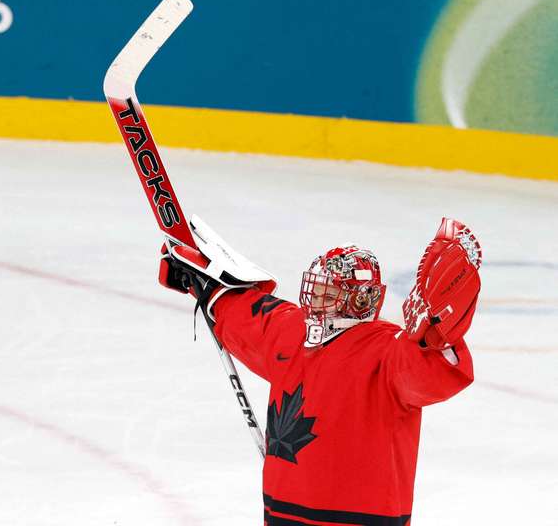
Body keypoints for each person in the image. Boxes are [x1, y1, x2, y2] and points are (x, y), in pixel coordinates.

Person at [159, 216, 482, 526]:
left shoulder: (388, 351)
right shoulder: (292, 329)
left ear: (359, 299)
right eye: (315, 289)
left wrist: (433, 335)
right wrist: (208, 287)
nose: (314, 299)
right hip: (284, 510)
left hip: (363, 517)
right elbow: (247, 316)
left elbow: (433, 375)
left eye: (327, 293)